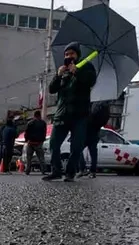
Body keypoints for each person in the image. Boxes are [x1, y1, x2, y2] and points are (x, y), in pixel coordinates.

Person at [44, 42, 97, 182]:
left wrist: (77, 72)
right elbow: (52, 89)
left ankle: (70, 173)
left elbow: (90, 81)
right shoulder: (63, 70)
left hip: (79, 115)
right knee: (54, 144)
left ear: (78, 55)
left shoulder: (86, 67)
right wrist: (58, 75)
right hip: (62, 114)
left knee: (76, 146)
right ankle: (56, 170)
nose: (69, 56)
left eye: (72, 53)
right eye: (66, 54)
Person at [78, 101, 110, 178]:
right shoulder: (103, 109)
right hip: (95, 134)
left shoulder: (93, 107)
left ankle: (83, 169)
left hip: (87, 134)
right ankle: (92, 171)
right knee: (93, 154)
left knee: (78, 150)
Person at [23, 110, 47, 176]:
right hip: (39, 143)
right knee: (41, 158)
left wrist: (26, 140)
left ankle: (27, 171)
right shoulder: (43, 123)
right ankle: (43, 171)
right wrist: (42, 140)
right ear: (40, 115)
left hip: (30, 142)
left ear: (34, 115)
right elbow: (44, 133)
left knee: (29, 158)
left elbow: (26, 133)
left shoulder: (30, 123)